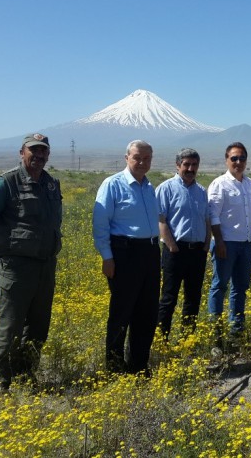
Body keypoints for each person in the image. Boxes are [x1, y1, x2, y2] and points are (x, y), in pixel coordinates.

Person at [0, 133, 62, 392]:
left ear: (48, 154)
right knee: (10, 325)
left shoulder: (51, 184)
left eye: (43, 151)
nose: (38, 156)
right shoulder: (7, 182)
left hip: (45, 266)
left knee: (38, 326)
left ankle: (26, 374)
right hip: (15, 268)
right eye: (33, 151)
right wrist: (7, 245)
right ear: (21, 152)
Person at [92, 140, 160, 375]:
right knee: (122, 313)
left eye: (146, 158)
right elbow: (100, 225)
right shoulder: (112, 185)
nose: (142, 162)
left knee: (147, 313)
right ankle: (114, 367)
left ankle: (139, 365)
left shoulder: (149, 187)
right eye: (137, 157)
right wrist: (107, 257)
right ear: (127, 158)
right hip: (125, 253)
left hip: (150, 252)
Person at [207, 142, 251, 335]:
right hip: (226, 243)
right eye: (234, 158)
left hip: (245, 244)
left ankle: (236, 329)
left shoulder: (250, 183)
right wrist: (219, 241)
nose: (238, 162)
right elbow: (213, 216)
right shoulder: (219, 184)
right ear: (226, 160)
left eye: (242, 158)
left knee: (240, 287)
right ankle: (215, 329)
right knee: (220, 285)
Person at [155, 148, 211, 339]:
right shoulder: (166, 188)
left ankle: (187, 339)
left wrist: (206, 245)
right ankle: (162, 339)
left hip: (197, 252)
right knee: (169, 298)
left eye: (194, 165)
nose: (190, 168)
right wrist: (171, 247)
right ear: (177, 165)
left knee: (193, 298)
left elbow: (207, 220)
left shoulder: (202, 191)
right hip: (175, 250)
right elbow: (161, 221)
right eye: (186, 164)